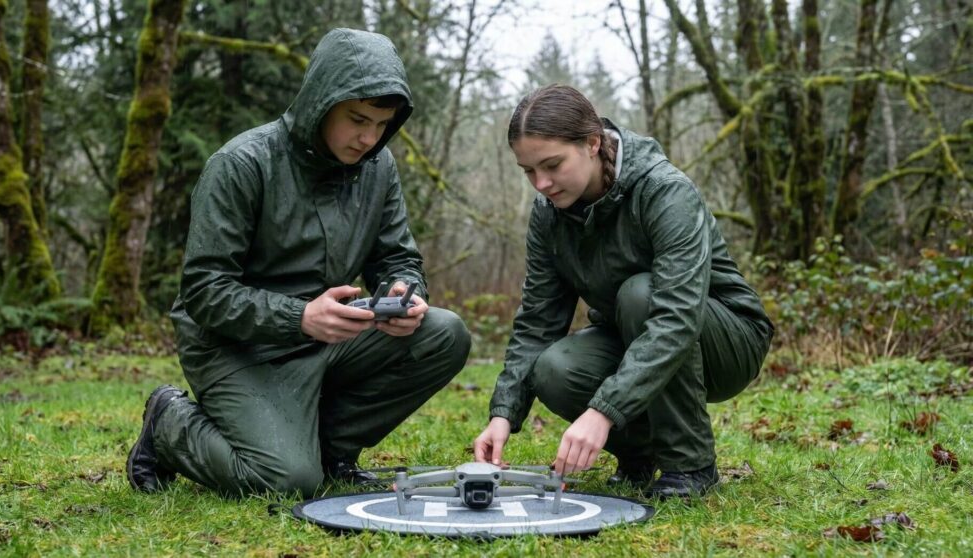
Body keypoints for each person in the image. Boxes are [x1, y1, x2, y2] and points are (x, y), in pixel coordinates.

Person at [126, 28, 471, 497]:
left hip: (328, 335)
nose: (368, 138)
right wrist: (300, 317)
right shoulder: (241, 164)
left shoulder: (378, 168)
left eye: (381, 124)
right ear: (321, 101)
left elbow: (396, 256)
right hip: (235, 348)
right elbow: (204, 292)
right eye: (357, 119)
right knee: (286, 481)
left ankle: (330, 449)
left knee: (443, 333)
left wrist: (402, 290)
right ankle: (169, 423)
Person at [472, 84, 773, 499]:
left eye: (552, 165)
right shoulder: (548, 215)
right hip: (632, 332)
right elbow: (538, 321)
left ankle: (690, 466)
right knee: (553, 368)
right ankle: (640, 455)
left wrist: (602, 412)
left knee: (640, 294)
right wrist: (503, 414)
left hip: (727, 339)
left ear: (593, 143)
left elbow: (676, 317)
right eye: (528, 171)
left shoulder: (665, 191)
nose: (540, 183)